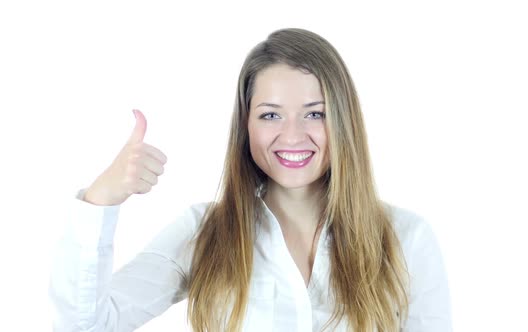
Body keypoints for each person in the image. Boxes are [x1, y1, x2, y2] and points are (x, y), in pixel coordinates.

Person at [48, 28, 452, 331]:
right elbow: (88, 325)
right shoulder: (205, 231)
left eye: (315, 113)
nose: (292, 135)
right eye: (270, 115)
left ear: (343, 121)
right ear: (246, 126)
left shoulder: (407, 238)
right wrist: (102, 198)